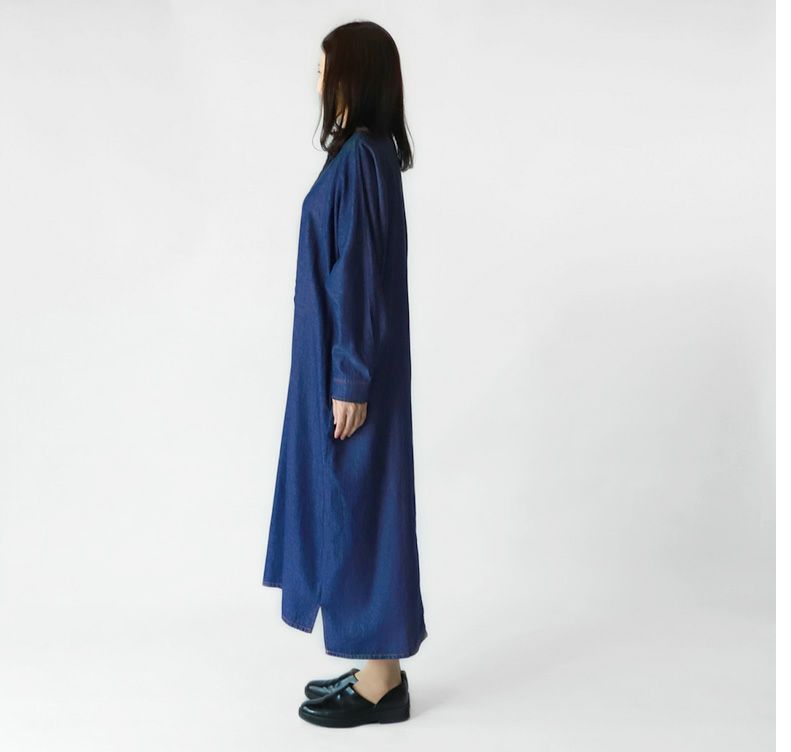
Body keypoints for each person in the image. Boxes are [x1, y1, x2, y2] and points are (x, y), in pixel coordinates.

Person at [261, 20, 427, 728]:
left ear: (353, 75)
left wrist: (349, 378)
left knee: (359, 507)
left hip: (349, 368)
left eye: (326, 66)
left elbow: (356, 271)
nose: (319, 79)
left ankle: (381, 681)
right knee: (361, 505)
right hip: (344, 360)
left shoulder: (361, 158)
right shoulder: (371, 153)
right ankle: (377, 667)